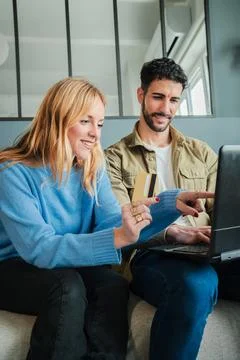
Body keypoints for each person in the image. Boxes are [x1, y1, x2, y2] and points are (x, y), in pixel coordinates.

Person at [0, 78, 212, 360]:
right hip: (14, 265)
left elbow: (111, 223)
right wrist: (117, 236)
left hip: (66, 263)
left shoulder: (91, 168)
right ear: (58, 119)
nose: (95, 134)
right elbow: (40, 248)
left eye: (99, 124)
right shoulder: (11, 172)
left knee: (112, 285)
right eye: (86, 121)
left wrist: (169, 205)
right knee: (67, 288)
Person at [105, 58, 219, 360]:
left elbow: (224, 207)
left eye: (174, 100)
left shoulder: (202, 152)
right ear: (141, 95)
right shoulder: (113, 158)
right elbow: (121, 221)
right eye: (158, 97)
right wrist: (172, 233)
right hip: (151, 254)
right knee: (196, 286)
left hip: (209, 246)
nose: (165, 108)